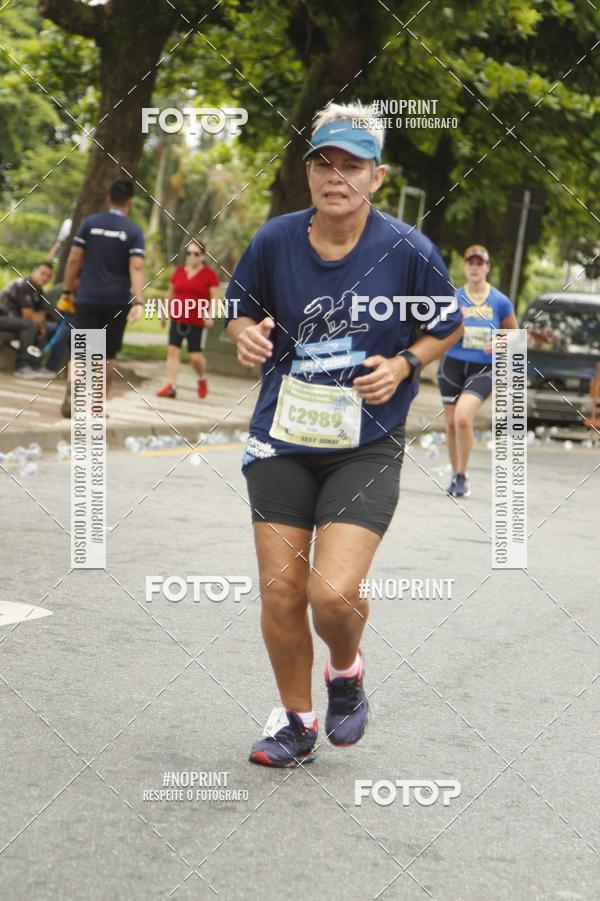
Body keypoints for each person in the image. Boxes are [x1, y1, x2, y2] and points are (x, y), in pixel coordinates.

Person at [224, 102, 463, 768]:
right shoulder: (274, 241)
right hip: (282, 437)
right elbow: (238, 313)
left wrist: (406, 362)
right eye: (323, 163)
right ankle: (297, 721)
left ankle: (347, 669)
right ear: (309, 172)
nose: (336, 177)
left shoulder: (408, 250)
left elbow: (447, 325)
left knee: (330, 593)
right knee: (280, 589)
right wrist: (245, 335)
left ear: (376, 177)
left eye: (351, 166)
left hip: (365, 442)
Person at [437, 244, 518, 498]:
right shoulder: (453, 297)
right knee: (451, 425)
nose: (474, 267)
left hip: (483, 367)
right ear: (465, 266)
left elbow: (515, 332)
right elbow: (439, 331)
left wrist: (500, 342)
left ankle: (462, 475)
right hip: (451, 366)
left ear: (487, 268)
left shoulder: (499, 300)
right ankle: (456, 474)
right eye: (470, 263)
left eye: (479, 263)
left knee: (463, 417)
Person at [59, 180, 145, 417]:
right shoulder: (133, 231)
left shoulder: (90, 224)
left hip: (87, 298)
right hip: (117, 300)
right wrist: (138, 301)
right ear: (130, 202)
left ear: (109, 199)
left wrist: (67, 290)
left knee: (82, 350)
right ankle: (97, 405)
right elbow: (137, 267)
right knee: (107, 354)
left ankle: (72, 398)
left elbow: (75, 258)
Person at [156, 240, 220, 399]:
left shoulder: (209, 275)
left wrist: (210, 315)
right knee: (172, 351)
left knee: (195, 358)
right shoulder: (178, 272)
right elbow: (170, 294)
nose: (191, 256)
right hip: (177, 319)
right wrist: (163, 313)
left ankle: (202, 378)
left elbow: (215, 298)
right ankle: (171, 386)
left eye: (196, 254)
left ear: (203, 256)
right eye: (189, 253)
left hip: (196, 322)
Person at [0, 261, 55, 379]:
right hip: (3, 318)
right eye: (42, 273)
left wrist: (42, 327)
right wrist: (39, 324)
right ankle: (22, 366)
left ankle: (36, 365)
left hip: (17, 321)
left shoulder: (39, 290)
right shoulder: (24, 285)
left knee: (43, 327)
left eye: (48, 276)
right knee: (31, 325)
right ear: (34, 271)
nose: (45, 278)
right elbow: (28, 315)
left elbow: (41, 314)